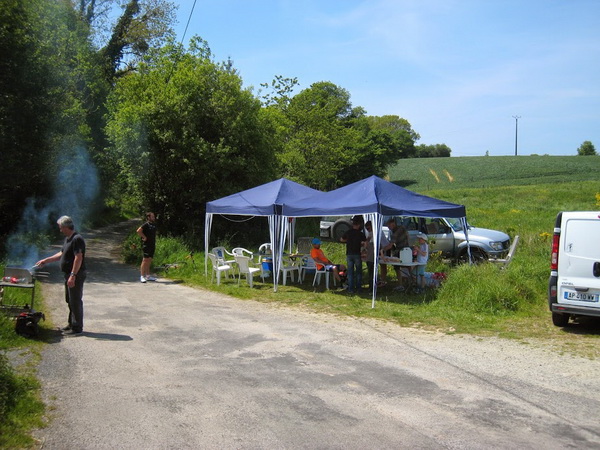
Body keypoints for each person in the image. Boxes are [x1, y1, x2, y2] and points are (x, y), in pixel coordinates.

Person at [36, 216, 86, 335]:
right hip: (68, 274)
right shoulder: (68, 239)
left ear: (66, 227)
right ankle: (71, 324)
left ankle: (77, 327)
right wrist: (45, 260)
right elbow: (61, 254)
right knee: (69, 300)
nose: (60, 230)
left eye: (61, 228)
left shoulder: (77, 239)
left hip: (75, 274)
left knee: (75, 300)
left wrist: (73, 275)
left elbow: (78, 258)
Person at [340, 217, 367, 293]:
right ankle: (359, 288)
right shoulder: (361, 234)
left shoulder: (348, 232)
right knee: (358, 272)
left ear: (353, 224)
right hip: (357, 254)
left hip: (349, 254)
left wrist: (347, 240)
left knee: (350, 272)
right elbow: (365, 243)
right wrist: (363, 249)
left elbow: (341, 239)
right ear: (358, 225)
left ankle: (351, 289)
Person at [364, 221, 393, 289]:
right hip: (379, 248)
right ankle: (381, 280)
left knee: (383, 265)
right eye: (366, 229)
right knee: (380, 264)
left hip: (384, 248)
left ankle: (383, 280)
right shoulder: (371, 232)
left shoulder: (377, 232)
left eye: (368, 228)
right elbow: (368, 239)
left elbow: (376, 244)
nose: (368, 230)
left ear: (371, 226)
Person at [137, 212, 157, 283]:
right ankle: (142, 276)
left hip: (152, 244)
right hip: (146, 245)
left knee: (149, 260)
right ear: (148, 217)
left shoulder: (153, 224)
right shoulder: (146, 224)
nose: (154, 218)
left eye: (154, 216)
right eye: (152, 217)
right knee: (145, 260)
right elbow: (138, 231)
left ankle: (148, 276)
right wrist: (144, 237)